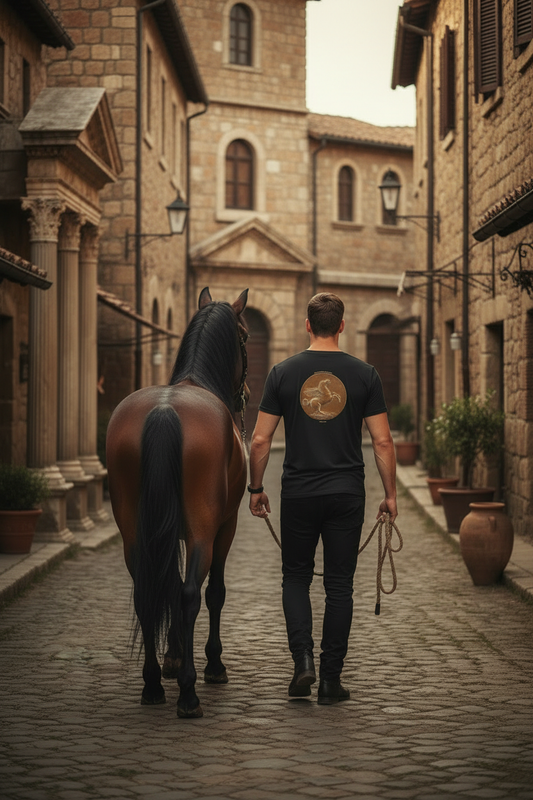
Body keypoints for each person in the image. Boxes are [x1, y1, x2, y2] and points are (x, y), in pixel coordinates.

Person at [248, 292, 397, 705]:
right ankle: (331, 681)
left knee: (295, 578)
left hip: (298, 492)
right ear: (343, 326)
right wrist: (390, 495)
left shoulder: (282, 373)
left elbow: (260, 439)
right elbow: (382, 442)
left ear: (308, 325)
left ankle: (303, 665)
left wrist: (255, 488)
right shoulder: (365, 374)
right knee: (339, 586)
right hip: (347, 493)